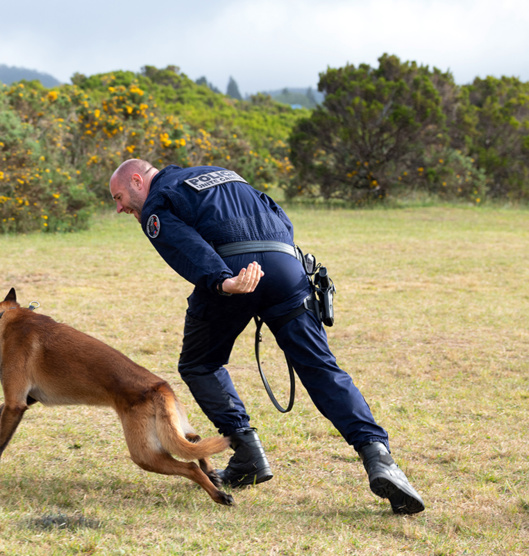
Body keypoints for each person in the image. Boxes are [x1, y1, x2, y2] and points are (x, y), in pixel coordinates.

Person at [108, 159, 425, 515]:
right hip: (286, 266)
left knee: (199, 363)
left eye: (119, 197)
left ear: (137, 179)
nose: (120, 207)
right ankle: (379, 457)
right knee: (321, 369)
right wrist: (280, 266)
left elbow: (183, 244)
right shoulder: (220, 172)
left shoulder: (158, 201)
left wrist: (221, 280)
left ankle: (247, 455)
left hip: (234, 275)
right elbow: (275, 212)